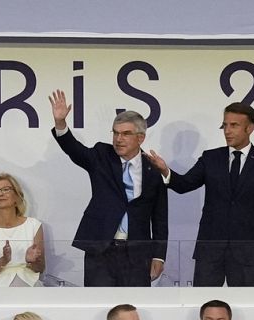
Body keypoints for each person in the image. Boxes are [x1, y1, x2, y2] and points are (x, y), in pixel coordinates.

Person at [146, 102, 254, 286]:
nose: (227, 131)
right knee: (204, 301)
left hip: (249, 249)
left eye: (234, 125)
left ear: (250, 128)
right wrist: (165, 171)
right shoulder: (210, 158)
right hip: (211, 247)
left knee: (244, 303)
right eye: (225, 125)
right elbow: (184, 185)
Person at [48, 89, 168, 286]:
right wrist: (60, 123)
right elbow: (73, 149)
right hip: (101, 250)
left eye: (126, 134)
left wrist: (159, 256)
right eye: (115, 133)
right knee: (99, 305)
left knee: (133, 305)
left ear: (141, 138)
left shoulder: (154, 168)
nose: (118, 139)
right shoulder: (101, 155)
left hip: (137, 254)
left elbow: (160, 218)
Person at [0, 173, 46, 287]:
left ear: (17, 196)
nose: (0, 194)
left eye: (6, 189)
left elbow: (41, 268)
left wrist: (31, 261)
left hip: (31, 285)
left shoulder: (34, 225)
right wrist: (3, 260)